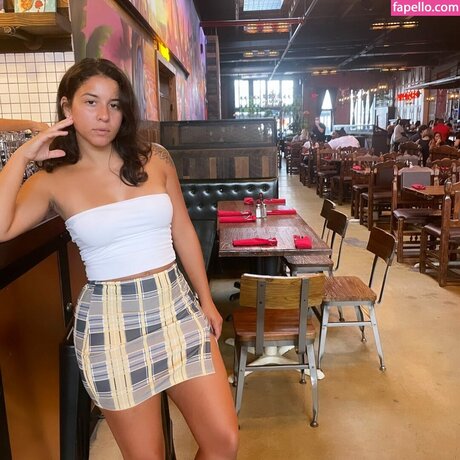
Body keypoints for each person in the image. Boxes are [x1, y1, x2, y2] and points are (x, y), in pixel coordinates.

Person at [0, 58, 239, 459]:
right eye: (91, 102)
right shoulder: (50, 180)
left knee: (223, 441)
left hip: (176, 307)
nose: (104, 115)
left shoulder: (155, 159)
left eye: (114, 104)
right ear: (67, 107)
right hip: (111, 324)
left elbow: (183, 231)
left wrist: (206, 299)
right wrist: (22, 156)